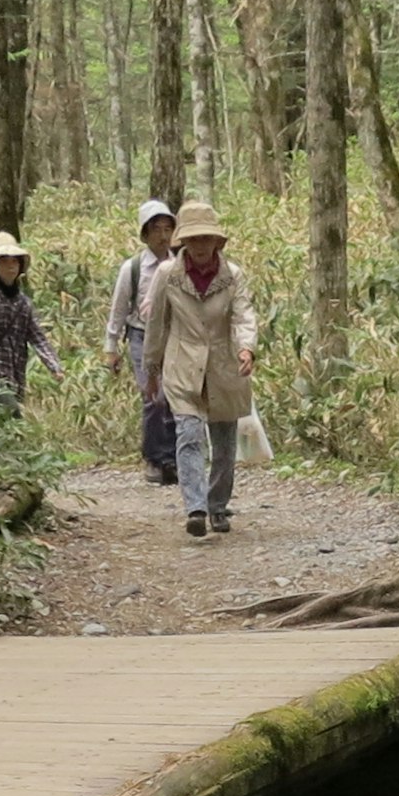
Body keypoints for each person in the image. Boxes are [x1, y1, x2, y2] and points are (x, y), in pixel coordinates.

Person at [143, 201, 256, 541]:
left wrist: (246, 347)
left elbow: (244, 314)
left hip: (223, 364)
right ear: (184, 243)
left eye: (207, 238)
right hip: (183, 365)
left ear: (217, 241)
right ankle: (195, 507)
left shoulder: (232, 275)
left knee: (224, 444)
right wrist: (151, 367)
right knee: (189, 435)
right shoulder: (167, 275)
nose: (201, 246)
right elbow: (157, 323)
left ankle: (217, 505)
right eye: (194, 239)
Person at [101, 199, 179, 486]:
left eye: (167, 228)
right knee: (153, 397)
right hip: (141, 336)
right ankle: (154, 459)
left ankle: (172, 459)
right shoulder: (132, 269)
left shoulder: (178, 264)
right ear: (145, 234)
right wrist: (111, 348)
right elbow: (119, 309)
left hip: (174, 337)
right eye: (156, 229)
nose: (162, 235)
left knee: (173, 397)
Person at [0, 233, 60, 416]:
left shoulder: (23, 303)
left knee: (3, 427)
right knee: (13, 415)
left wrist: (54, 366)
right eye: (4, 262)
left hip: (15, 377)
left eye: (14, 262)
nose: (10, 267)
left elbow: (38, 338)